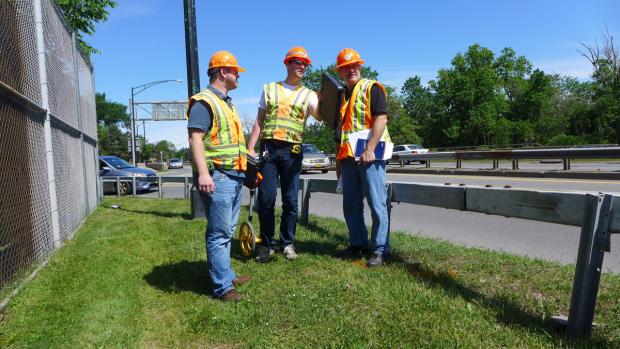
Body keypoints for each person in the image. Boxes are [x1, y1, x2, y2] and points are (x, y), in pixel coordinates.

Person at [187, 51, 251, 301]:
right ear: (223, 72)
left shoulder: (227, 103)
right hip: (218, 176)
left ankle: (226, 274)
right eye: (235, 71)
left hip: (234, 175)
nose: (238, 75)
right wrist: (203, 173)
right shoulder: (205, 102)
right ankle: (222, 287)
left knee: (228, 229)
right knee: (219, 232)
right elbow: (195, 138)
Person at [246, 46, 321, 262]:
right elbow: (259, 121)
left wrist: (326, 98)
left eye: (305, 64)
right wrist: (251, 148)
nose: (302, 67)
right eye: (298, 62)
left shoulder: (309, 94)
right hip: (269, 150)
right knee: (267, 198)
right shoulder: (270, 89)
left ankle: (287, 243)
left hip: (293, 151)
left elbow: (321, 115)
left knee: (290, 200)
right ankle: (267, 245)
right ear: (287, 63)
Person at [334, 48, 391, 267]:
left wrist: (370, 148)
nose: (351, 69)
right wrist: (339, 162)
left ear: (360, 66)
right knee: (351, 204)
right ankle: (357, 244)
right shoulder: (343, 96)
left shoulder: (371, 87)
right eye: (346, 67)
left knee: (377, 203)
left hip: (370, 155)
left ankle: (380, 249)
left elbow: (381, 118)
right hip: (348, 157)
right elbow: (341, 132)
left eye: (354, 65)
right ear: (340, 71)